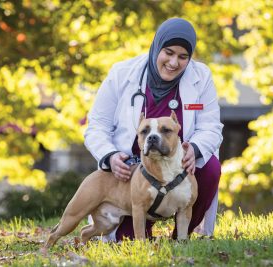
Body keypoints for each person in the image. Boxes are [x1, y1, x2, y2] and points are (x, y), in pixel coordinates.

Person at [84, 17, 223, 241]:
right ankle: (141, 231)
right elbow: (97, 126)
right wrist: (109, 156)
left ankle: (182, 236)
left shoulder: (201, 77)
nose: (174, 62)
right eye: (168, 52)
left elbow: (211, 126)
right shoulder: (121, 73)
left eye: (183, 56)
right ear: (157, 46)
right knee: (127, 241)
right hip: (133, 173)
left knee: (209, 168)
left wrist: (195, 149)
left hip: (179, 167)